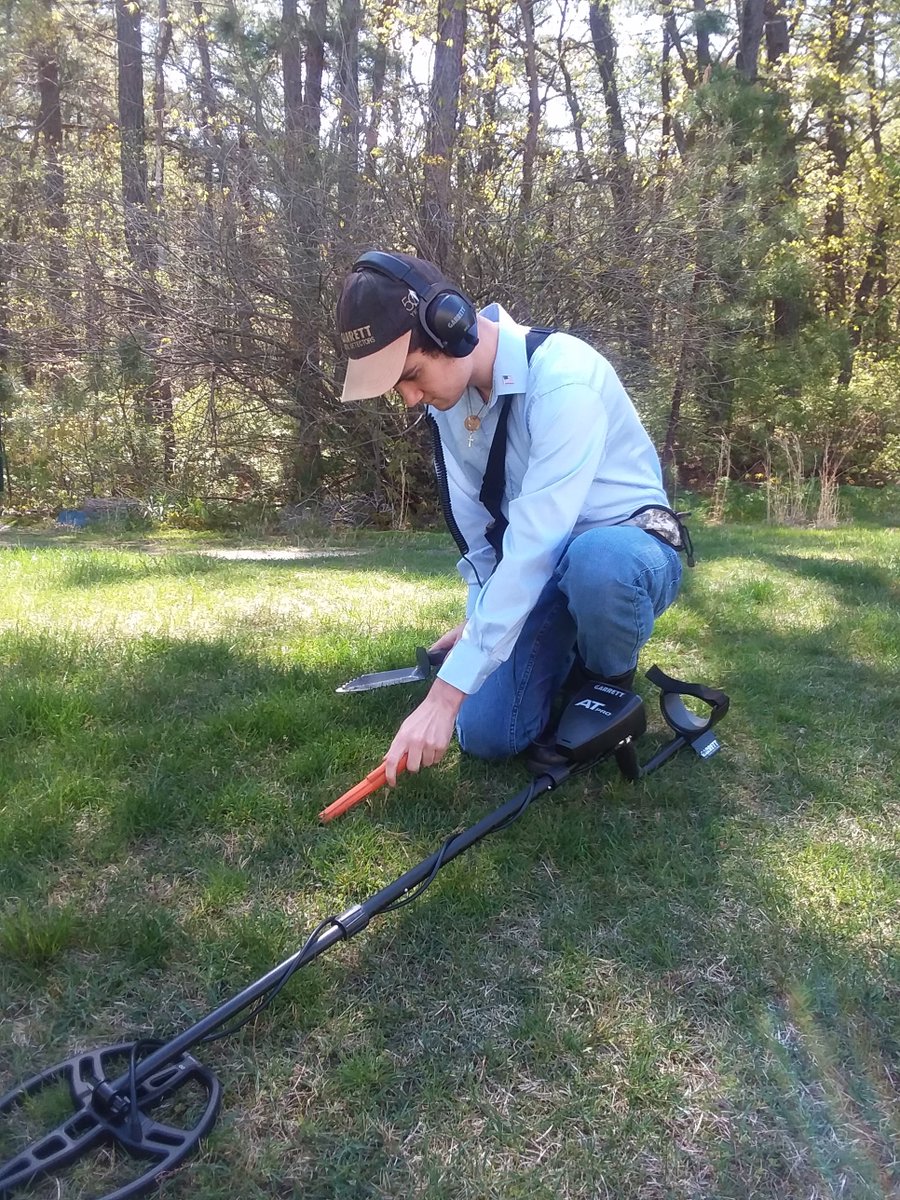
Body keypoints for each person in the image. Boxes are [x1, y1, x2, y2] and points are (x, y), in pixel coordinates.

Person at [337, 250, 691, 786]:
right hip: (544, 567)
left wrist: (443, 695)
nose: (409, 399)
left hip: (628, 551)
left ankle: (608, 682)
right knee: (486, 735)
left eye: (411, 375)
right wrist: (479, 624)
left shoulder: (564, 379)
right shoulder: (448, 408)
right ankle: (567, 649)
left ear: (451, 326)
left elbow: (535, 544)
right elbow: (483, 545)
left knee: (598, 562)